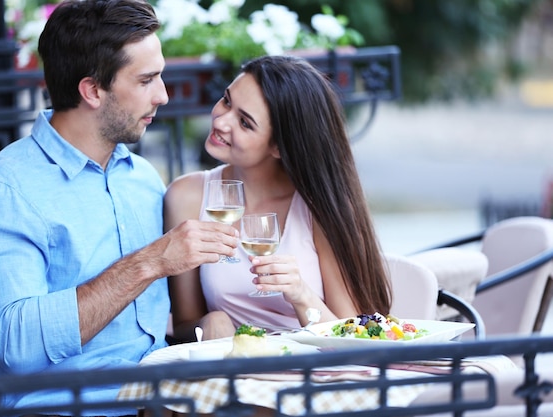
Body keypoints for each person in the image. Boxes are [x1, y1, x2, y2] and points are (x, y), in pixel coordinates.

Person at [0, 0, 238, 412]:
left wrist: (210, 321)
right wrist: (149, 262)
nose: (164, 95)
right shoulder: (6, 190)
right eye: (146, 80)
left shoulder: (140, 177)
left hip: (159, 397)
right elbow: (18, 346)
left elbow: (169, 321)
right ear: (92, 90)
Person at [165, 55, 392, 342]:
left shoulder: (317, 209)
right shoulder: (187, 197)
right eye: (226, 100)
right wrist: (212, 322)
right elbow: (184, 323)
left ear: (278, 146)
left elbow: (353, 336)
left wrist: (300, 294)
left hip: (311, 372)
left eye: (245, 123)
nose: (221, 121)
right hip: (233, 375)